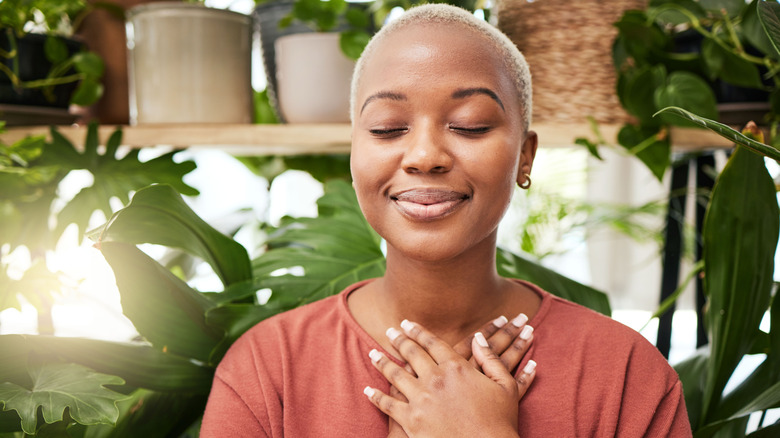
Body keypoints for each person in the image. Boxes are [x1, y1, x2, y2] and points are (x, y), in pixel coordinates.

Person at [200, 4, 692, 437]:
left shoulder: (625, 374)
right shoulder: (267, 371)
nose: (424, 155)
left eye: (469, 125)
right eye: (387, 128)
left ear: (525, 157)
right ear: (355, 153)